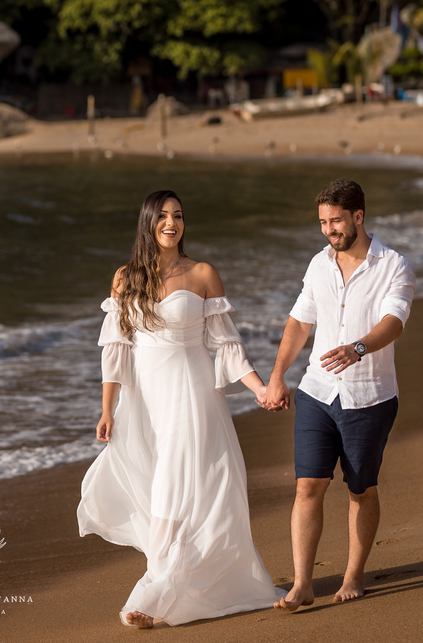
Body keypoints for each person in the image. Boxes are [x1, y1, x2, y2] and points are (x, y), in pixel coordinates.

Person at [77, 190, 284, 629]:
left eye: (179, 215)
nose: (172, 223)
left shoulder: (203, 273)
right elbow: (115, 351)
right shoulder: (125, 277)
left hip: (191, 395)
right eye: (164, 216)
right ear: (148, 222)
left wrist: (259, 388)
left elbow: (227, 346)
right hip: (145, 400)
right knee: (159, 487)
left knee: (176, 483)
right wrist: (108, 409)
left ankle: (154, 591)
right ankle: (178, 578)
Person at [266, 178, 415, 610]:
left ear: (358, 216)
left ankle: (353, 574)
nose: (329, 229)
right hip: (316, 391)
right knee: (307, 486)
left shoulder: (394, 265)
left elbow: (395, 321)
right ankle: (302, 584)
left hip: (369, 397)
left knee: (359, 490)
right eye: (323, 222)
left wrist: (358, 348)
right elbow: (299, 323)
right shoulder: (319, 265)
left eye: (336, 220)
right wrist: (279, 376)